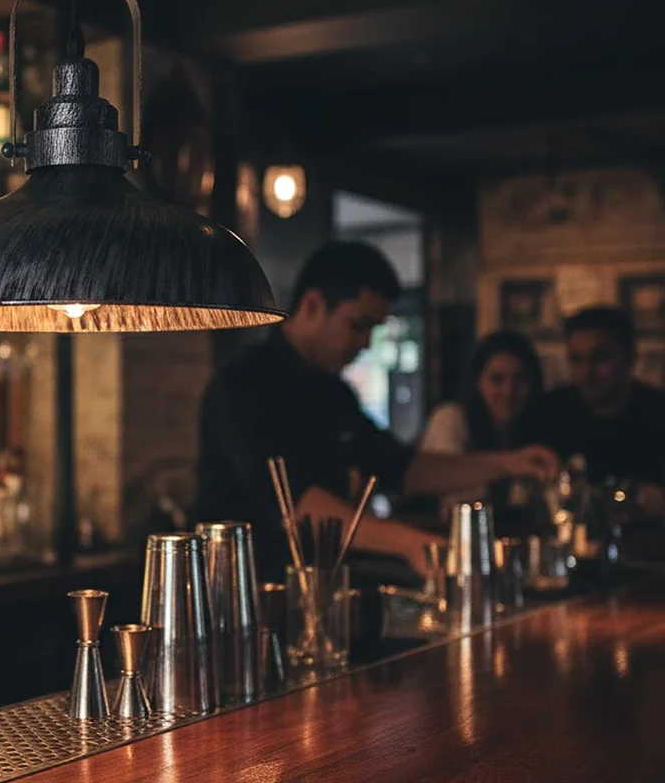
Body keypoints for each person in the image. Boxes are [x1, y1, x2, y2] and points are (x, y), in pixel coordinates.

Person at [195, 242, 559, 579]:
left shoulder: (334, 393)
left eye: (373, 329)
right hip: (244, 588)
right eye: (358, 325)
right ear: (312, 306)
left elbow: (403, 467)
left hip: (319, 584)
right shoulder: (243, 383)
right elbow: (298, 506)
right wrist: (407, 542)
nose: (366, 343)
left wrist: (509, 463)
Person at [535, 306, 665, 515]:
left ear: (630, 357)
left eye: (600, 358)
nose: (587, 372)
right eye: (577, 359)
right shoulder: (551, 412)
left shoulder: (658, 413)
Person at [420, 331, 544, 455]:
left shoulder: (530, 431)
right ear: (477, 382)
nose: (508, 391)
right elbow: (449, 470)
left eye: (520, 379)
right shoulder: (450, 419)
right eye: (497, 379)